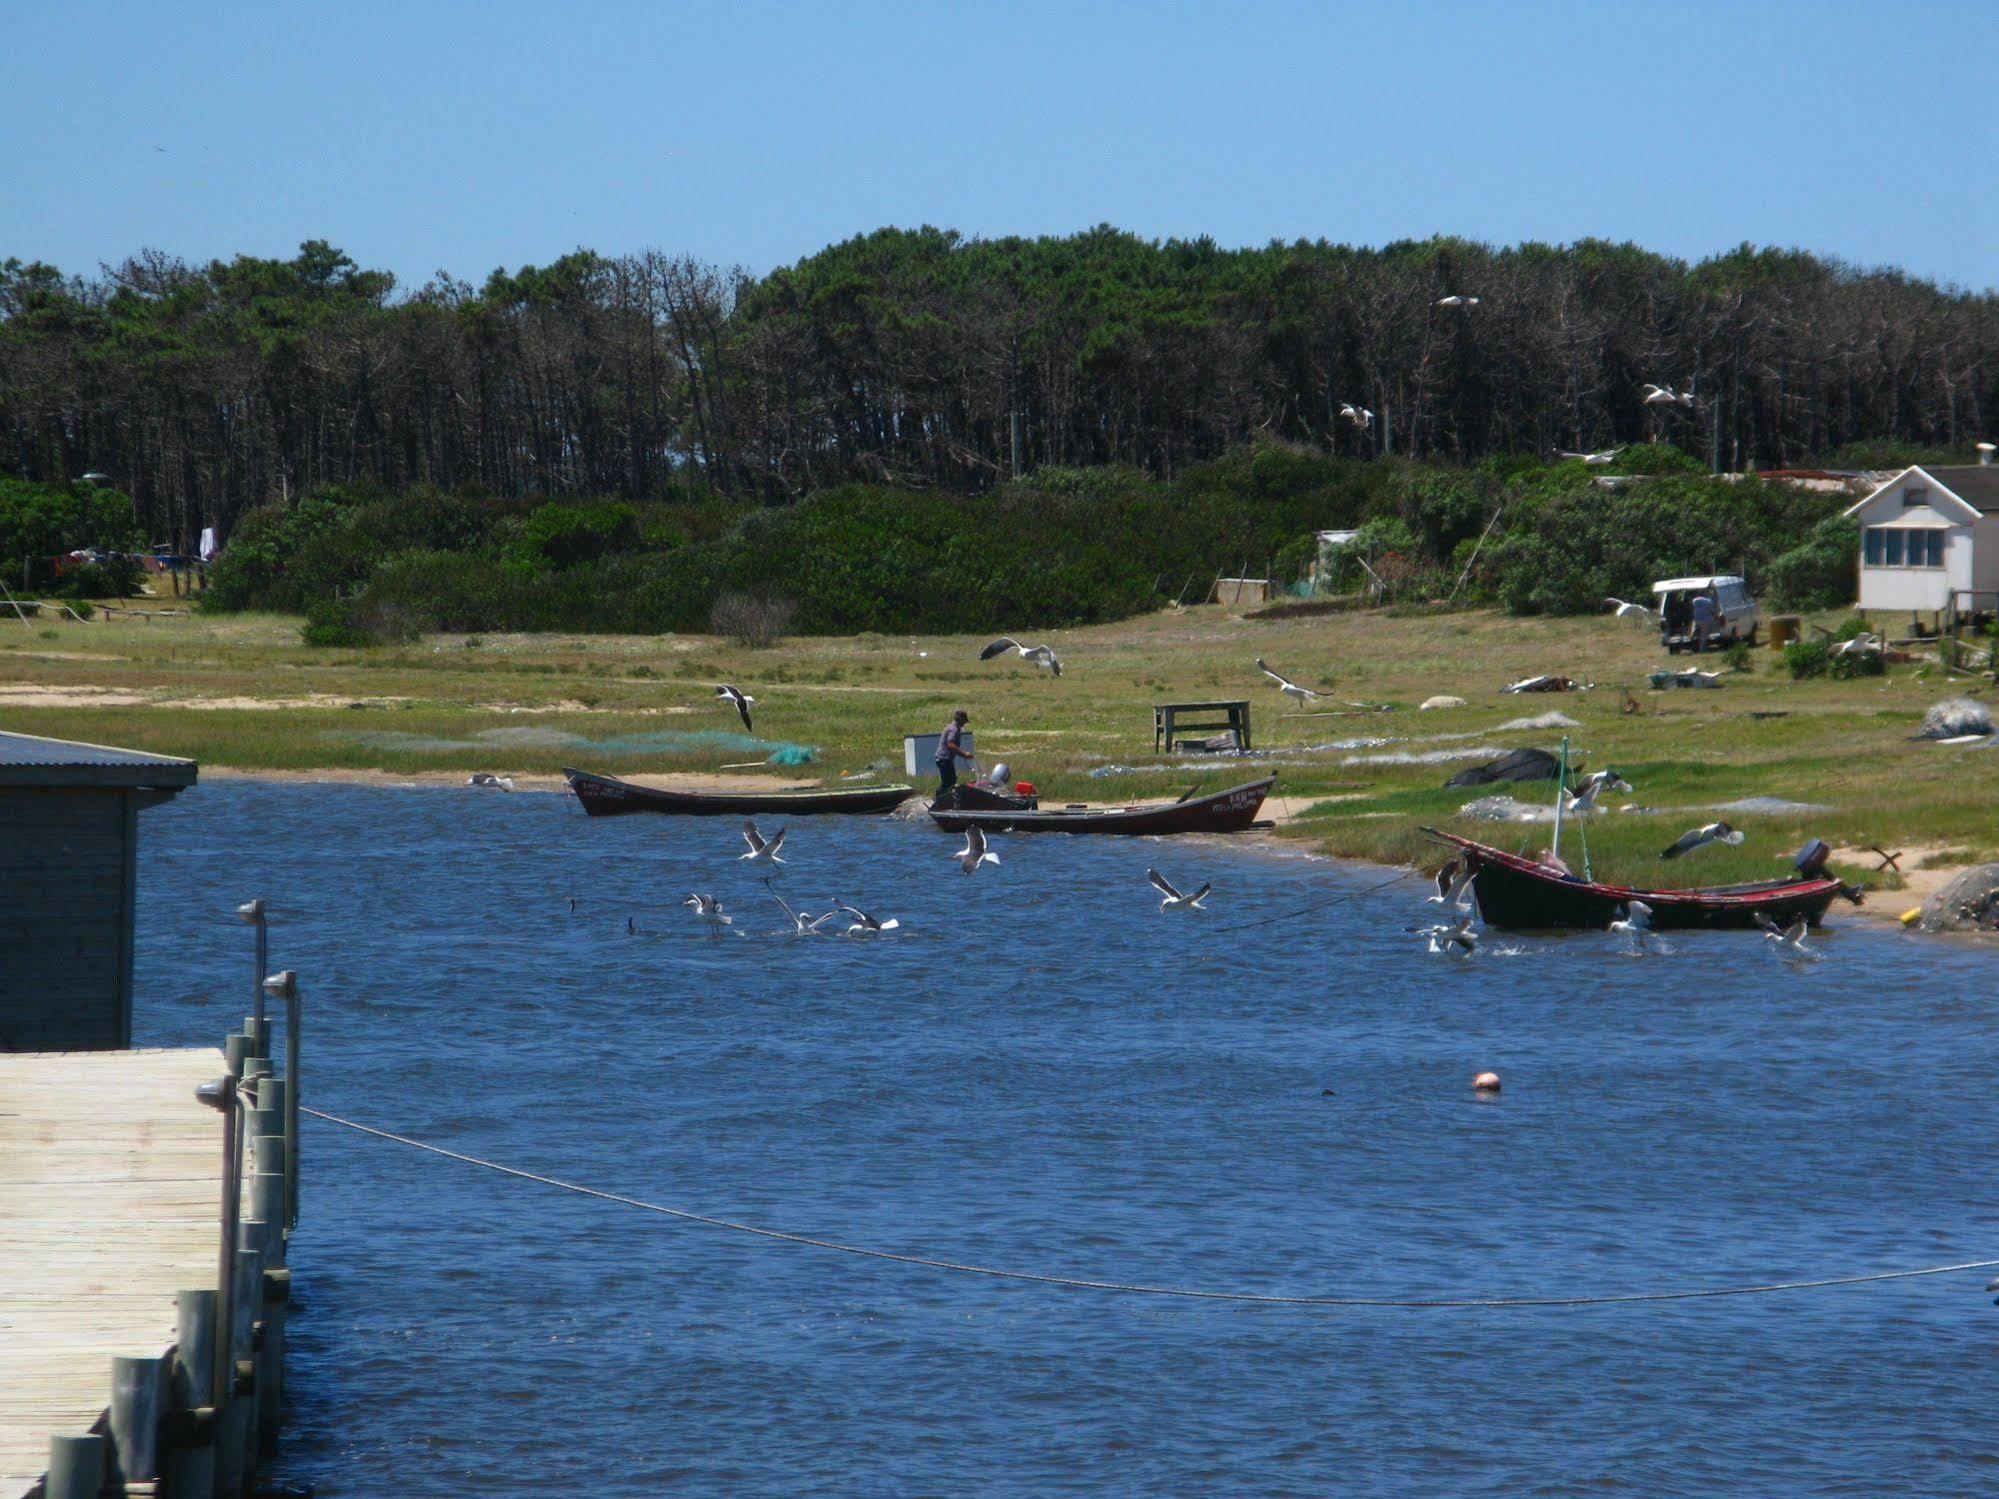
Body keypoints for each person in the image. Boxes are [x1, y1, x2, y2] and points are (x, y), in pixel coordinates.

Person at [935, 709, 976, 797]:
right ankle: (939, 800)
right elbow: (950, 744)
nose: (965, 723)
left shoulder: (952, 727)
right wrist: (964, 754)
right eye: (964, 721)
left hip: (944, 758)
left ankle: (942, 799)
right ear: (960, 719)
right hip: (944, 758)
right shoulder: (954, 729)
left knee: (951, 780)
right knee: (949, 782)